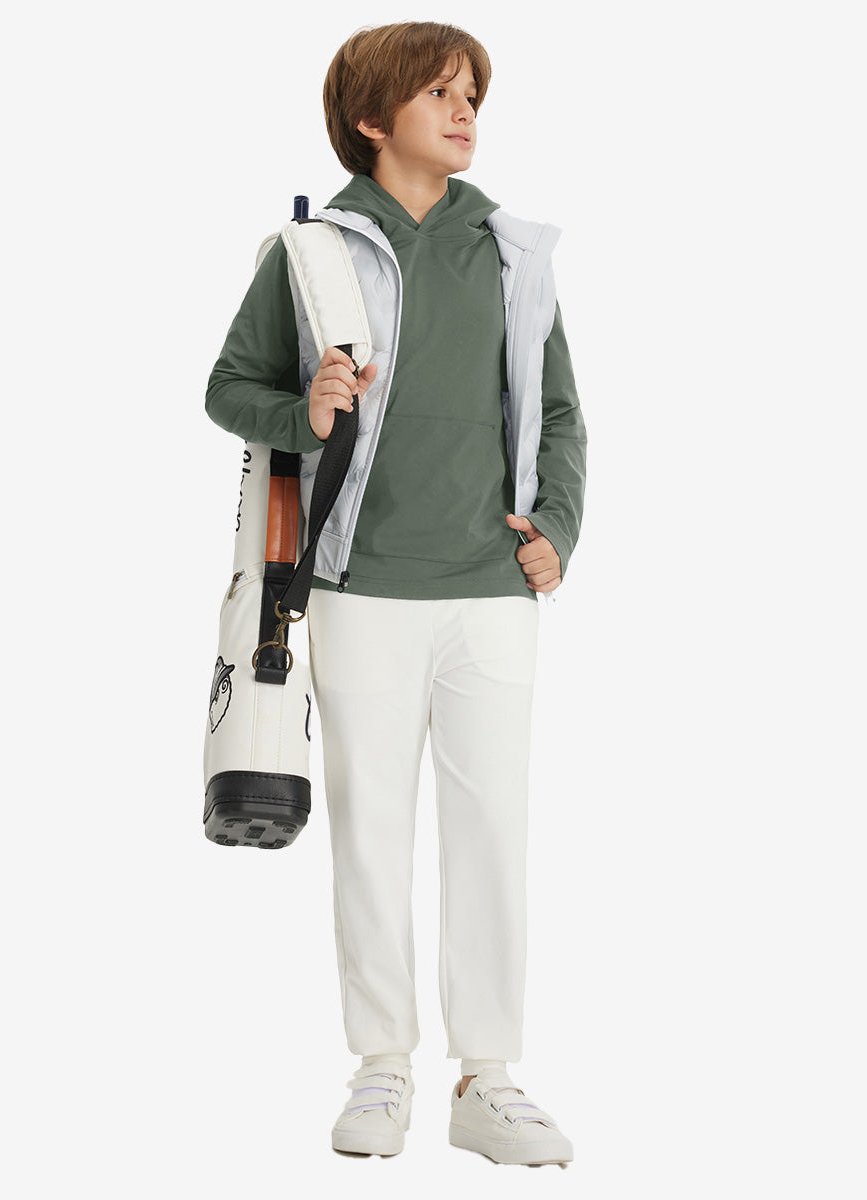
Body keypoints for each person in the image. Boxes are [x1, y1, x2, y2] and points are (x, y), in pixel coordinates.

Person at [204, 21, 587, 1168]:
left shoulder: (511, 252)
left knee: (493, 832)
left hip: (491, 591)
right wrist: (306, 410)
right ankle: (382, 1066)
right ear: (373, 120)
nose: (466, 112)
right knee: (371, 829)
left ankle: (488, 1079)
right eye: (440, 94)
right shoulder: (310, 252)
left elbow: (558, 412)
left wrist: (556, 530)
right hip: (360, 585)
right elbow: (230, 387)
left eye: (473, 95)